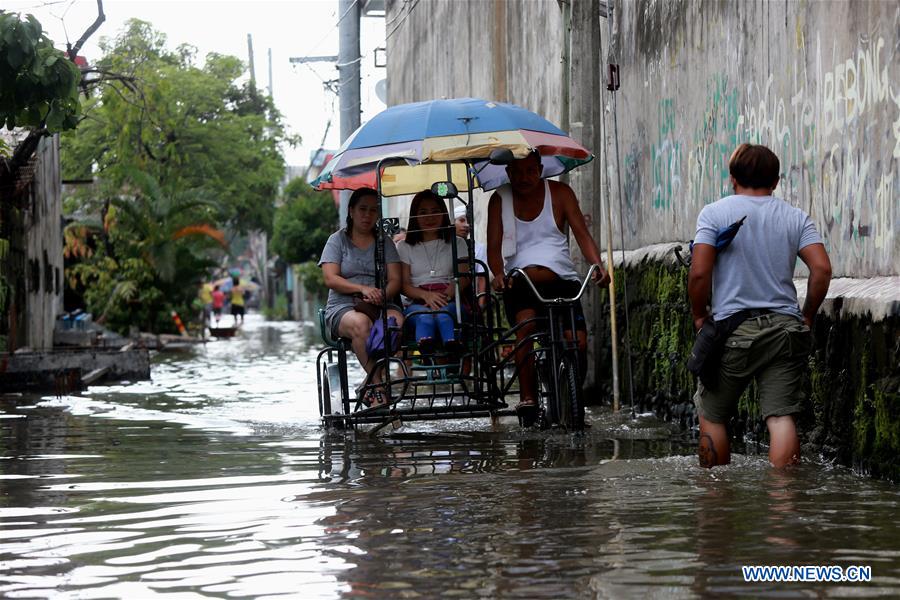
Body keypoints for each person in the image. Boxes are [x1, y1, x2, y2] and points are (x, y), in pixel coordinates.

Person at [688, 143, 832, 468]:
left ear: (732, 178)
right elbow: (822, 269)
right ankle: (784, 495)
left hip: (733, 332)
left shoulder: (714, 214)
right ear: (776, 181)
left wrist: (699, 315)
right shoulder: (796, 217)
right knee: (781, 417)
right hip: (785, 330)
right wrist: (807, 315)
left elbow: (699, 272)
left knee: (713, 415)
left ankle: (716, 492)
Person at [486, 150, 610, 418]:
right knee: (526, 328)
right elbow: (493, 247)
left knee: (577, 340)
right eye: (518, 172)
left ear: (540, 170)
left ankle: (573, 398)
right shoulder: (499, 199)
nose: (524, 178)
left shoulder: (561, 194)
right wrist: (497, 274)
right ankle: (528, 398)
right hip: (520, 282)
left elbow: (582, 234)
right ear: (508, 173)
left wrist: (598, 265)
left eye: (531, 171)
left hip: (562, 279)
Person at [319, 187, 404, 406]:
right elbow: (330, 278)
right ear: (351, 211)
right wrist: (362, 289)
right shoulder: (337, 240)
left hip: (381, 303)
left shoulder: (384, 242)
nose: (367, 215)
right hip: (343, 306)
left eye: (373, 210)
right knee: (361, 323)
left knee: (395, 324)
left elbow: (395, 279)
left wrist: (382, 294)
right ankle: (379, 388)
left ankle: (369, 384)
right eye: (362, 209)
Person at [397, 190, 470, 355]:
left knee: (445, 315)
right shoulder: (404, 246)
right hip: (416, 301)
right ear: (415, 216)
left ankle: (452, 347)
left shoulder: (457, 243)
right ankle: (425, 350)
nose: (430, 217)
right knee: (424, 317)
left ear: (443, 214)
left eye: (435, 211)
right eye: (423, 212)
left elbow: (464, 277)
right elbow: (404, 285)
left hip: (449, 298)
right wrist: (427, 296)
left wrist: (443, 297)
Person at [453, 205, 489, 308]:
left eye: (469, 222)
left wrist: (480, 305)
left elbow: (481, 278)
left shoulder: (478, 248)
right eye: (461, 221)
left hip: (470, 299)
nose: (466, 225)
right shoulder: (446, 247)